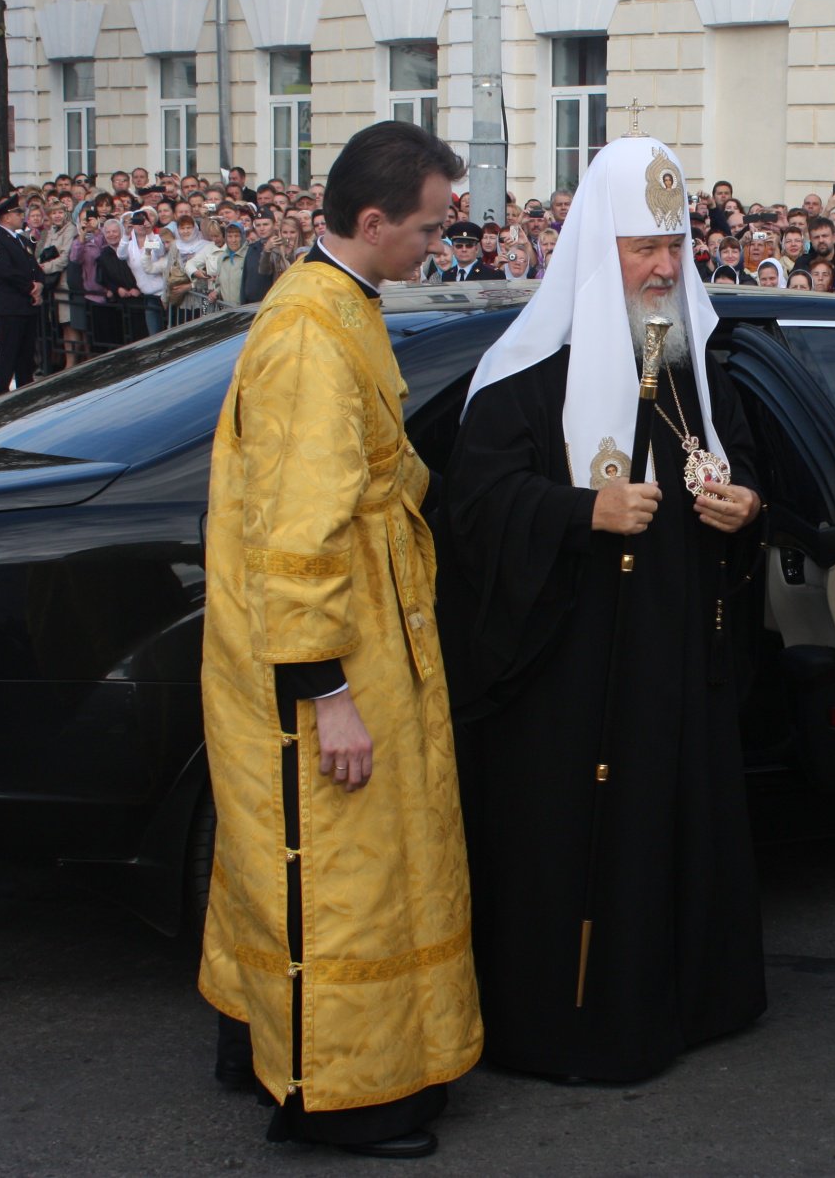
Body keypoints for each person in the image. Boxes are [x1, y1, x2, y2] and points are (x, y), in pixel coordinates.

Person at [440, 134, 767, 1084]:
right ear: (599, 248)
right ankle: (569, 1025)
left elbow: (748, 479)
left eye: (675, 247)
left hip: (673, 661)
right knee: (573, 850)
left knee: (670, 831)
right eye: (642, 248)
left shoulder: (700, 364)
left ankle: (687, 1003)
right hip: (566, 671)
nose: (664, 267)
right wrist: (583, 509)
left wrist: (745, 508)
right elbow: (474, 509)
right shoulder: (526, 373)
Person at [201, 121, 481, 1160]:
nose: (435, 246)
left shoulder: (331, 302)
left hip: (348, 626)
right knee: (341, 874)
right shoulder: (314, 337)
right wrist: (328, 694)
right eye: (426, 227)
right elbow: (300, 532)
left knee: (288, 873)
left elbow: (378, 463)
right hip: (326, 649)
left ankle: (258, 1043)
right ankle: (343, 1098)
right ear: (370, 222)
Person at [0, 197, 43, 396]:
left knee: (25, 357)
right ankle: (0, 396)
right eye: (18, 213)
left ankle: (24, 395)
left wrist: (39, 285)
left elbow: (34, 266)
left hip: (26, 306)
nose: (21, 217)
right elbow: (5, 271)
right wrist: (30, 288)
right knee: (8, 354)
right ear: (7, 217)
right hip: (10, 307)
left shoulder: (21, 240)